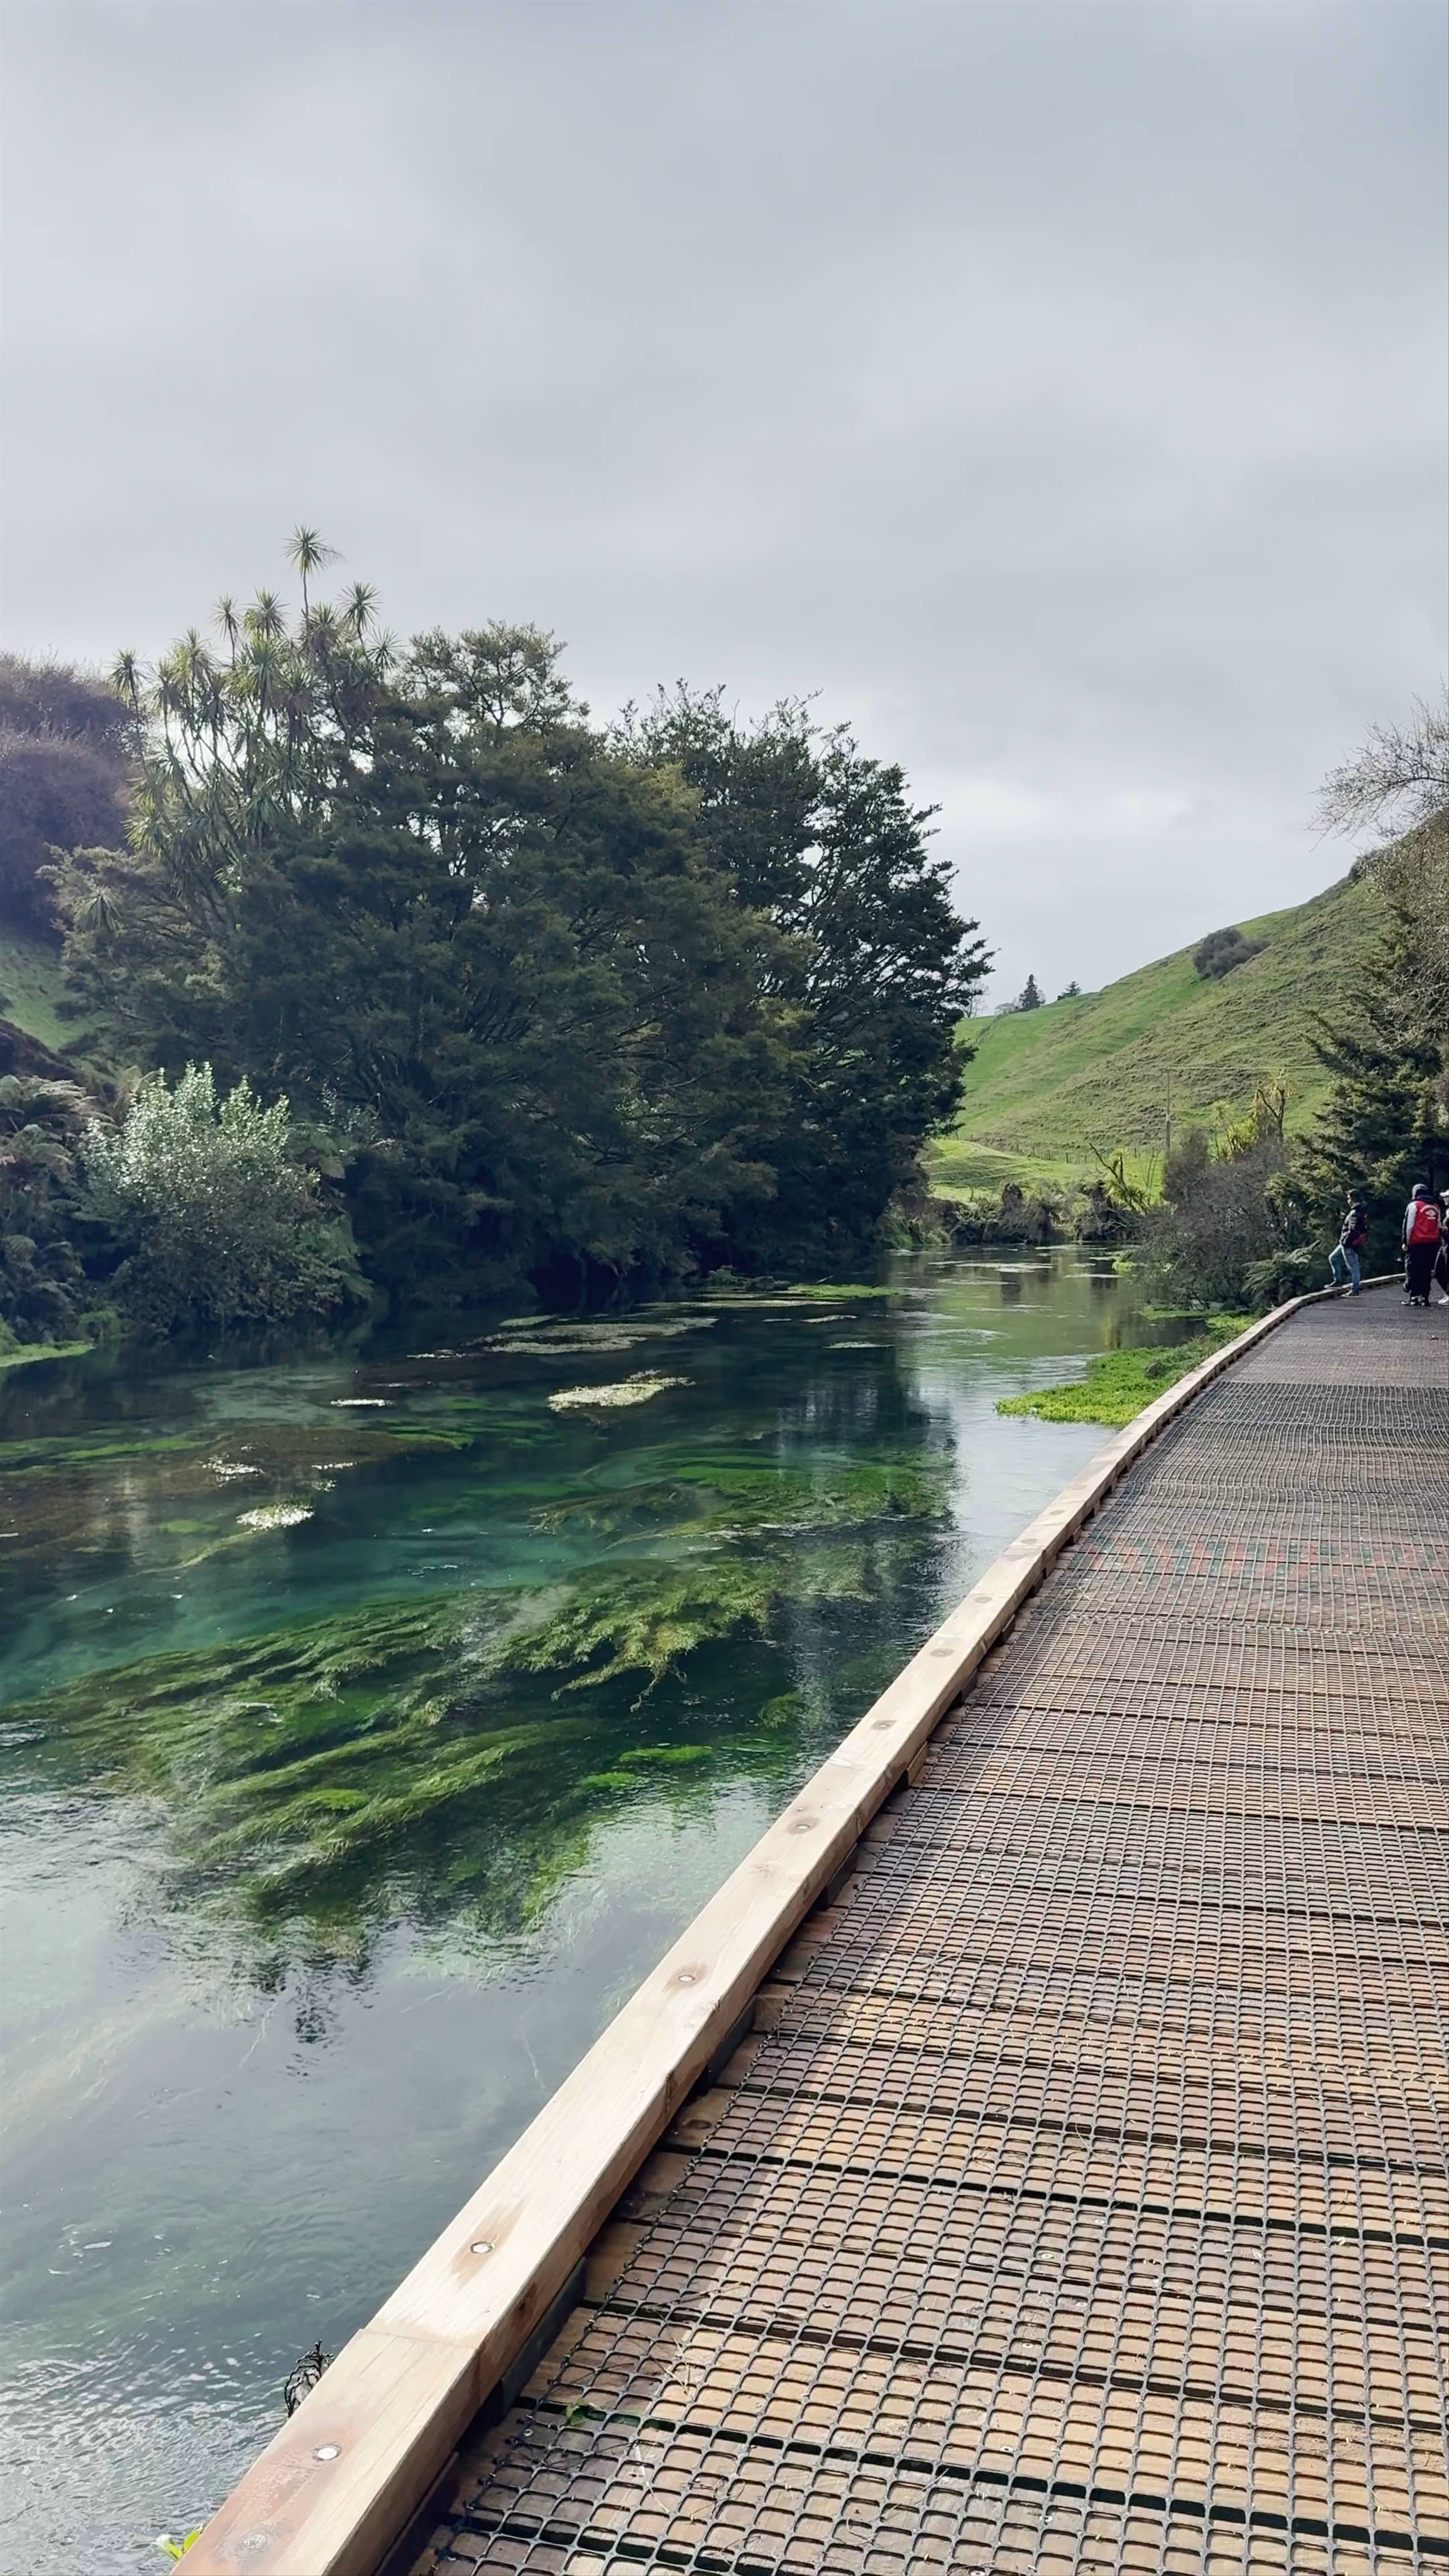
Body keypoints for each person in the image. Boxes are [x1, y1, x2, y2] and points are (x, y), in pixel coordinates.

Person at [1402, 1183, 1442, 1306]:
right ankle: (1425, 1297)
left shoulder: (1414, 1206)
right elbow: (1439, 1225)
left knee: (1414, 1270)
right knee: (1427, 1271)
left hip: (1416, 1243)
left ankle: (1414, 1297)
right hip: (1432, 1243)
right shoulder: (1436, 1207)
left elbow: (1409, 1226)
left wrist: (1406, 1242)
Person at [1329, 1193, 1367, 1293]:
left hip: (1349, 1244)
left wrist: (1346, 1242)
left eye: (1349, 1199)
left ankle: (1355, 1290)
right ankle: (1338, 1281)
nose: (1348, 1201)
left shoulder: (1356, 1213)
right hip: (1345, 1242)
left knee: (1353, 1266)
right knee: (1333, 1258)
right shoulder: (1356, 1212)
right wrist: (1344, 1217)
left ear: (1353, 1200)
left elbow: (1354, 1230)